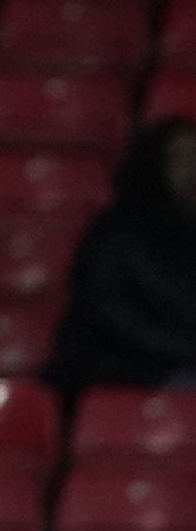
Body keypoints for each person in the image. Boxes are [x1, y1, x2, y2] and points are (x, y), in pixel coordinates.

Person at [56, 117, 196, 389]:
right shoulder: (118, 230)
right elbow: (111, 314)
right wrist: (186, 350)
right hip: (125, 370)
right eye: (181, 159)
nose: (192, 169)